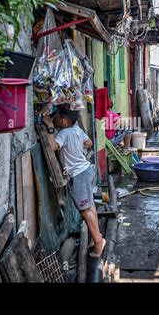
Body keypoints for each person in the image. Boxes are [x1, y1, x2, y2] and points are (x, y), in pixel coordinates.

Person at [51, 108, 106, 257]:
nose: (53, 120)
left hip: (79, 174)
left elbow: (53, 146)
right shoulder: (76, 130)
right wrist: (75, 148)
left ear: (62, 120)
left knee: (84, 210)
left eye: (54, 118)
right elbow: (88, 143)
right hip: (87, 170)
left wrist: (49, 129)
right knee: (90, 206)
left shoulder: (63, 133)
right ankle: (96, 238)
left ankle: (99, 241)